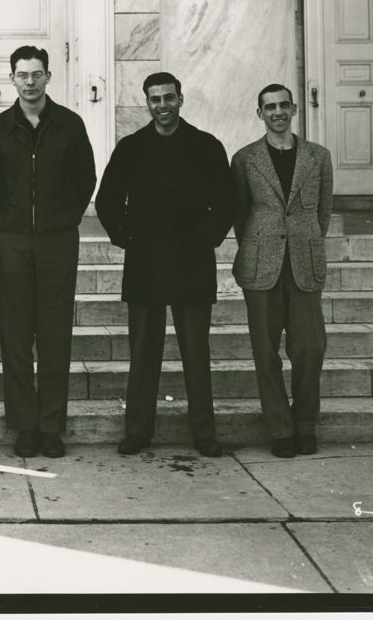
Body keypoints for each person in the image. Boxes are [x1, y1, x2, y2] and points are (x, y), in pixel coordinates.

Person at [95, 72, 233, 458]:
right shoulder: (131, 147)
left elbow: (225, 202)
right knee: (143, 353)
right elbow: (107, 201)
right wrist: (128, 237)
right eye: (155, 99)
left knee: (196, 352)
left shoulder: (206, 146)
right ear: (147, 104)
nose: (163, 106)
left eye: (169, 98)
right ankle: (138, 431)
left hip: (192, 262)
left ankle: (204, 434)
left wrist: (205, 237)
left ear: (181, 99)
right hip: (146, 263)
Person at [0, 45, 96, 458]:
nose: (30, 82)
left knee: (54, 336)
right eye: (22, 75)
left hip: (56, 242)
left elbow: (86, 179)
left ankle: (51, 426)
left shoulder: (70, 124)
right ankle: (24, 426)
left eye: (36, 74)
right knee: (14, 336)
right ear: (11, 79)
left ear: (48, 76)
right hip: (11, 242)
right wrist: (4, 226)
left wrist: (63, 219)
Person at [231, 84, 333, 458]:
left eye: (283, 105)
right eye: (269, 107)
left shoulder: (318, 157)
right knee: (265, 351)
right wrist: (260, 244)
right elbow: (240, 214)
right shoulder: (245, 158)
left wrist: (303, 242)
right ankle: (280, 429)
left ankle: (305, 425)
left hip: (304, 261)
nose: (277, 112)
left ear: (294, 109)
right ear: (259, 114)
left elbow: (322, 211)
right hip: (261, 264)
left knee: (310, 347)